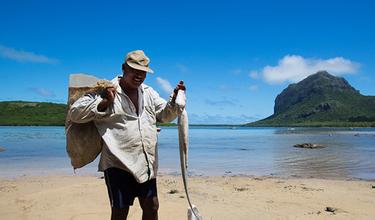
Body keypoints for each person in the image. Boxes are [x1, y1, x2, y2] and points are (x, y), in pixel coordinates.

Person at [69, 50, 185, 220]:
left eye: (143, 72)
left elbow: (165, 115)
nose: (139, 76)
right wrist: (105, 102)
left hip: (146, 162)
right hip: (118, 163)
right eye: (134, 71)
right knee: (120, 212)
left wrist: (175, 99)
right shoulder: (106, 89)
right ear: (124, 68)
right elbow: (75, 114)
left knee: (152, 207)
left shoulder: (148, 92)